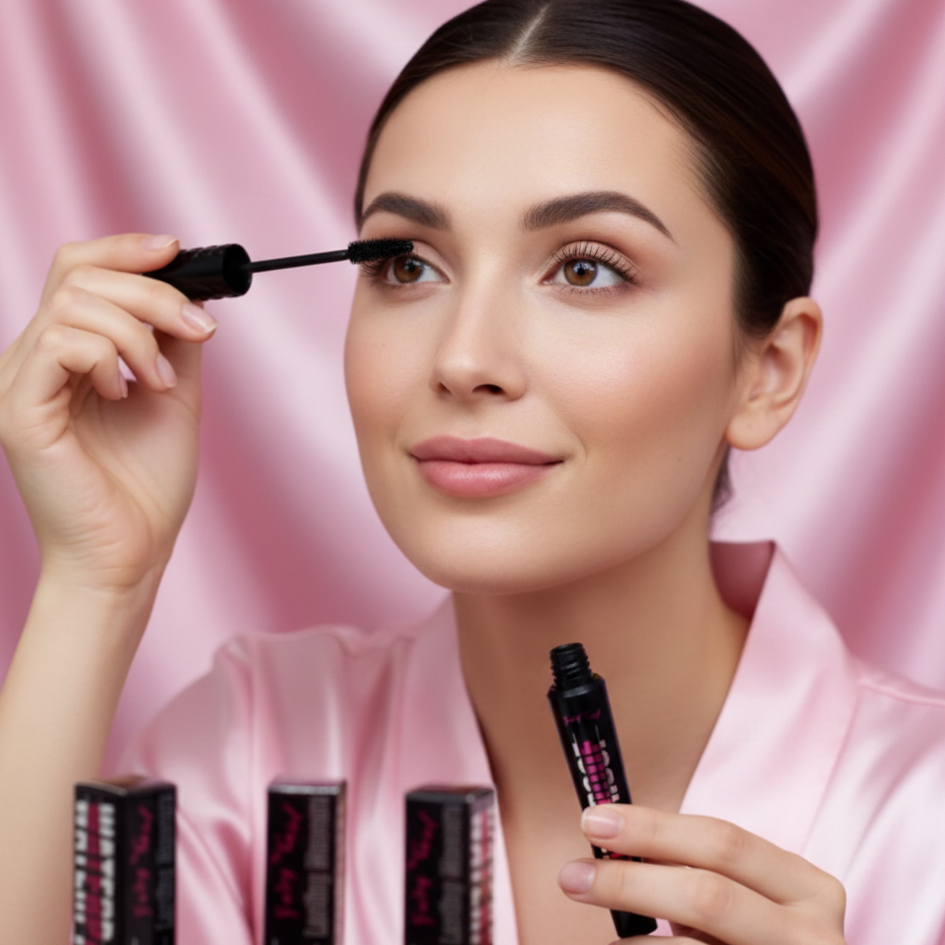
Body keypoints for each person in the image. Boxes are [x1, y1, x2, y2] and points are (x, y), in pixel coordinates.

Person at [1, 0, 944, 942]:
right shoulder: (257, 759)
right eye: (407, 264)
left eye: (585, 269)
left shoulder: (920, 821)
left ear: (767, 370)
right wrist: (96, 579)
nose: (462, 357)